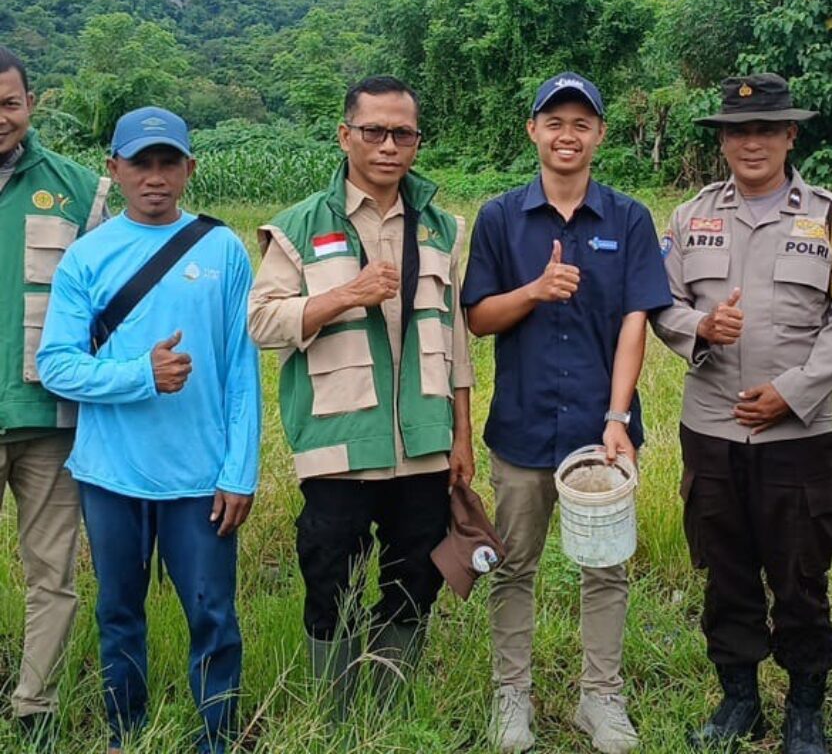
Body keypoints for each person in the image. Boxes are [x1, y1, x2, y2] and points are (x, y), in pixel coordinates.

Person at [652, 74, 832, 754]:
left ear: (790, 135)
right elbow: (659, 301)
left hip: (797, 436)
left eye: (766, 129)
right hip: (711, 431)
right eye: (738, 130)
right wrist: (699, 327)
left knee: (801, 573)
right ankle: (738, 698)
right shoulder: (690, 217)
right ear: (722, 139)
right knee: (725, 570)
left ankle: (805, 704)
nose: (752, 142)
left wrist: (796, 391)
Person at [247, 75, 475, 721]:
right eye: (373, 130)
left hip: (425, 444)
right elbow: (262, 323)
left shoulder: (442, 228)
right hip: (339, 443)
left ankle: (390, 700)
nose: (388, 145)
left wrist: (460, 435)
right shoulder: (298, 226)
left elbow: (455, 340)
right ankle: (336, 709)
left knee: (416, 577)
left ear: (417, 141)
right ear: (345, 135)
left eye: (403, 133)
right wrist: (345, 294)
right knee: (328, 573)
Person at [36, 106, 261, 754]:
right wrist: (141, 374)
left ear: (190, 168)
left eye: (168, 163)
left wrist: (238, 470)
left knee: (213, 616)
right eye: (141, 163)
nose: (155, 177)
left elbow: (241, 373)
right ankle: (123, 733)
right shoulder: (86, 257)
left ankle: (216, 738)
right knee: (119, 616)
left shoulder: (222, 249)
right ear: (115, 169)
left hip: (200, 480)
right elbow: (55, 364)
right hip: (111, 473)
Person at [462, 73, 671, 754]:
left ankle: (599, 699)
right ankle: (510, 698)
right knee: (514, 565)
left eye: (582, 123)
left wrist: (617, 418)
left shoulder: (630, 218)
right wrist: (535, 290)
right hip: (522, 428)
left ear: (600, 135)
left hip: (598, 429)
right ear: (533, 130)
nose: (567, 135)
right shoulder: (499, 218)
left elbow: (635, 321)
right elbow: (477, 317)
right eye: (555, 121)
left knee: (605, 567)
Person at [0, 46, 109, 749]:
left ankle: (33, 707)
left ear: (31, 103)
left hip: (47, 418)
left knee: (53, 572)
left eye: (8, 103)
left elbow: (110, 307)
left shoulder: (80, 190)